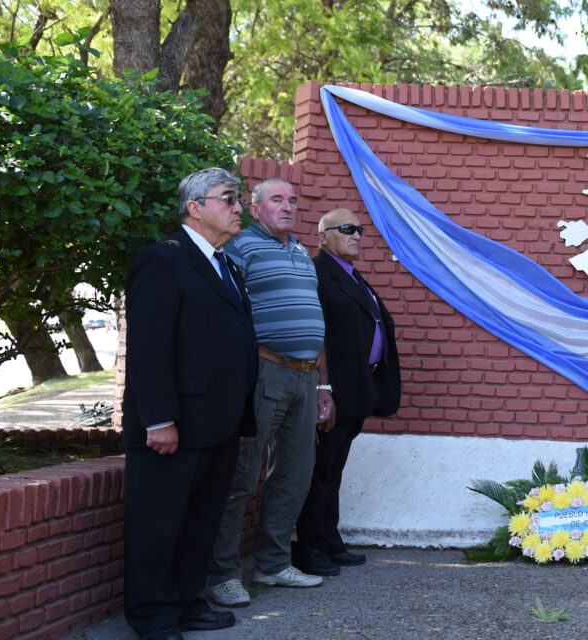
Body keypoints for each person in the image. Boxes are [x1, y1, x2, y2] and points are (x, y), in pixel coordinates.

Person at [121, 168, 257, 640]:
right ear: (195, 208)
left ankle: (185, 602)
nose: (239, 208)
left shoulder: (227, 264)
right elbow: (148, 347)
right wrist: (158, 419)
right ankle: (151, 615)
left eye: (239, 200)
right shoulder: (163, 259)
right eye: (229, 199)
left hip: (219, 422)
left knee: (200, 521)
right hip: (173, 424)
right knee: (157, 524)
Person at [207, 178, 332, 607]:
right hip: (264, 371)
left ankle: (273, 564)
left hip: (304, 376)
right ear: (255, 207)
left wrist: (323, 383)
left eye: (293, 200)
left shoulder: (300, 251)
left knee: (294, 475)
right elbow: (225, 307)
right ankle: (223, 574)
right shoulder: (241, 246)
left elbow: (314, 319)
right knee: (242, 474)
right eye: (277, 199)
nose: (288, 206)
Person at [293, 209, 402, 576]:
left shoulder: (352, 276)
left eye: (359, 230)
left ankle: (329, 539)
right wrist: (324, 388)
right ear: (322, 237)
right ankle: (309, 549)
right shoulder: (318, 274)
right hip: (332, 391)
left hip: (357, 388)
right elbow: (316, 333)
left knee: (333, 470)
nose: (356, 235)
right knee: (319, 470)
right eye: (347, 229)